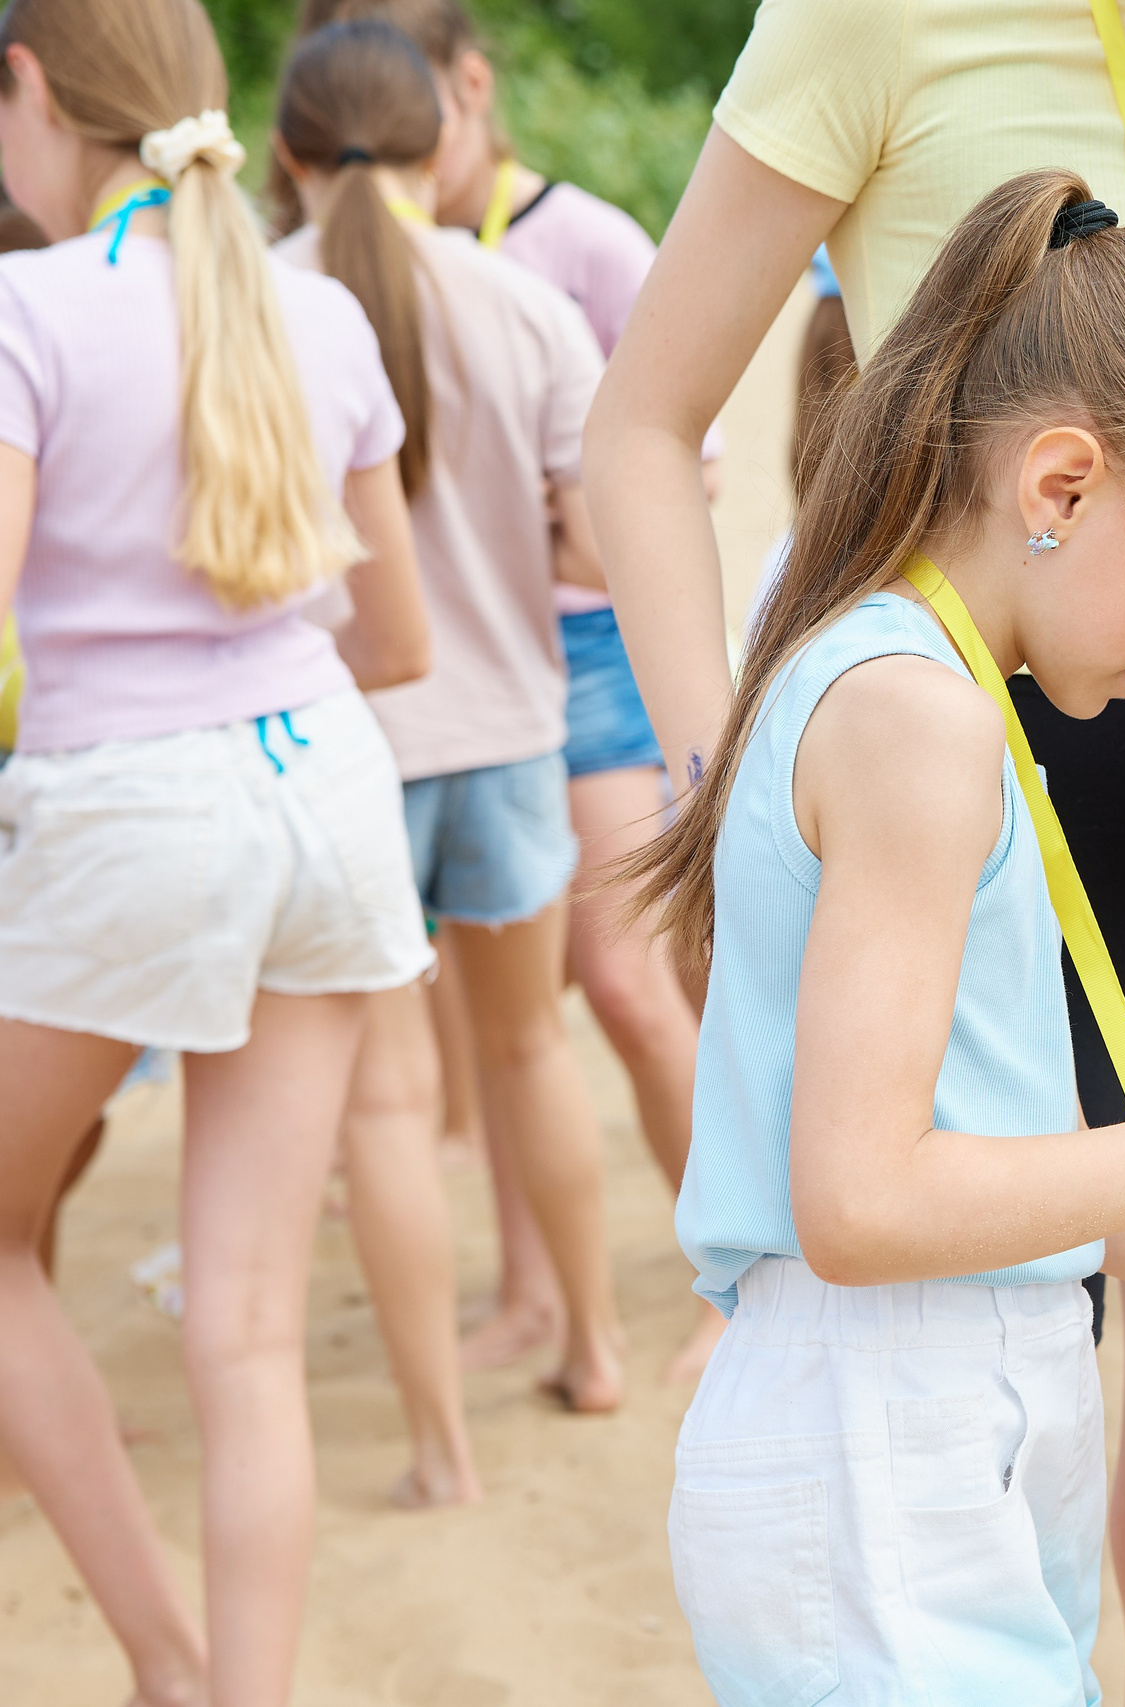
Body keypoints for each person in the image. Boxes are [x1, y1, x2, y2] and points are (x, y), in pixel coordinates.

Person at [583, 5, 1125, 1698]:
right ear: (1057, 480)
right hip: (994, 770)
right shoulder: (913, 728)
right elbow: (875, 1201)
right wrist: (732, 804)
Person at [0, 0, 433, 1698]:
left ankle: (165, 1664)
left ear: (30, 86)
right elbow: (393, 636)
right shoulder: (310, 310)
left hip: (130, 806)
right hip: (325, 782)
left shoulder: (27, 310)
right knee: (246, 1324)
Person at [277, 0, 727, 1388]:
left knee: (396, 1097)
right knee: (536, 1044)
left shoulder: (264, 303)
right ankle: (592, 1341)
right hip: (515, 731)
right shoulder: (524, 302)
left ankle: (438, 1439)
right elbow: (604, 540)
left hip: (345, 747)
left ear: (287, 156)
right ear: (440, 130)